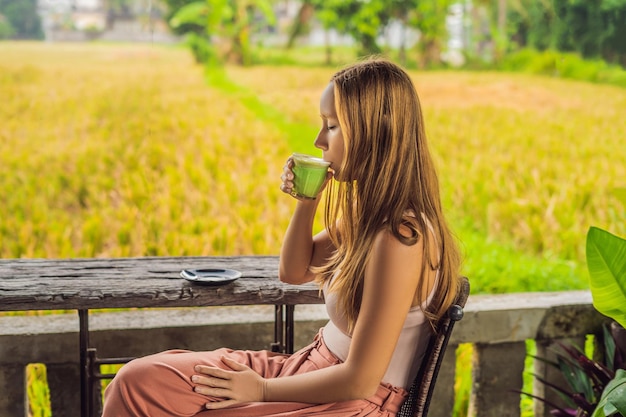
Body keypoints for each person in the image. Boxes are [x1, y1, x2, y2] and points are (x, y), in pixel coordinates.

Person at [101, 58, 461, 417]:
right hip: (309, 368)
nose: (319, 140)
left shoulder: (401, 238)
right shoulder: (367, 218)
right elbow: (294, 271)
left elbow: (360, 380)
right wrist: (307, 201)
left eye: (332, 127)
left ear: (375, 132)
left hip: (348, 400)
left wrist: (259, 388)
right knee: (138, 381)